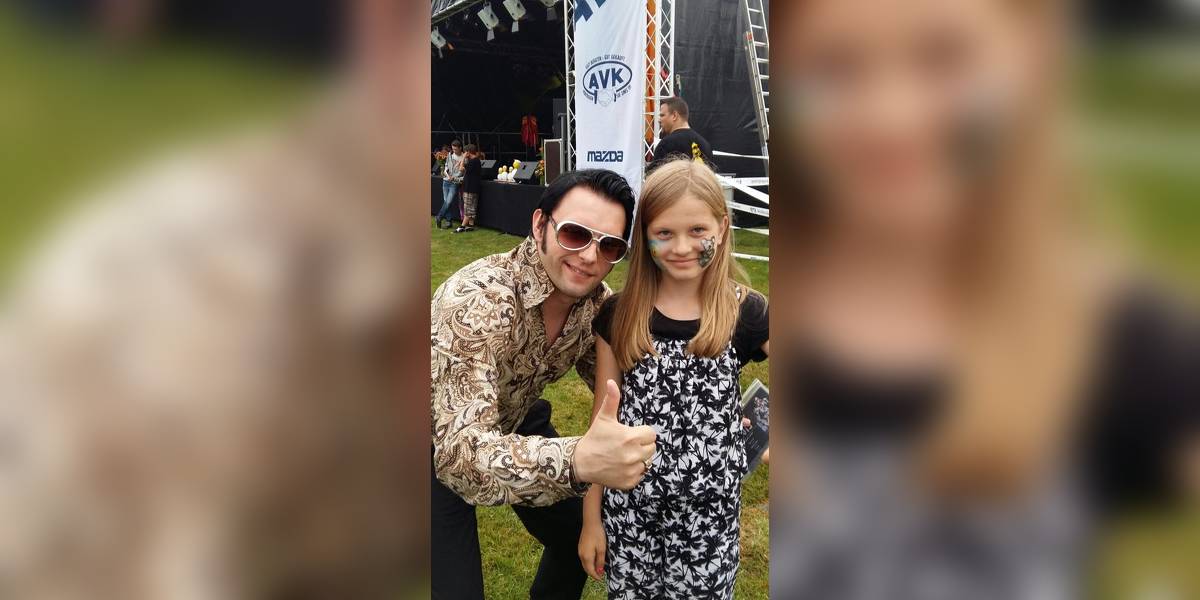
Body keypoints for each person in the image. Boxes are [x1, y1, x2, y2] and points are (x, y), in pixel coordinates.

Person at [769, 0, 1200, 597]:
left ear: (1032, 59)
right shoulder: (773, 322)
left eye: (943, 56)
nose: (890, 117)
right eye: (835, 68)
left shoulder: (1120, 335)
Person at [431, 169, 657, 600]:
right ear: (540, 225)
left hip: (514, 416)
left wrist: (714, 419)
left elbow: (633, 386)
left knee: (578, 537)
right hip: (428, 443)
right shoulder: (476, 300)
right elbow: (458, 458)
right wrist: (577, 460)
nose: (589, 256)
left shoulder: (595, 307)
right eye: (575, 234)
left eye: (609, 245)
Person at [578, 159, 769, 599]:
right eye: (664, 232)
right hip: (630, 516)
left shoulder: (745, 311)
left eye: (698, 230)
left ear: (722, 228)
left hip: (710, 524)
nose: (682, 246)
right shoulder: (619, 314)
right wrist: (591, 520)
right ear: (644, 235)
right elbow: (600, 427)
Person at [651, 97, 713, 169]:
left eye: (662, 115)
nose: (659, 120)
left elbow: (654, 174)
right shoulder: (705, 145)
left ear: (674, 116)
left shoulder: (666, 144)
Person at [435, 139, 464, 229]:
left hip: (455, 182)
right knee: (446, 202)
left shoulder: (464, 158)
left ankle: (439, 216)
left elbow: (462, 172)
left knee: (448, 201)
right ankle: (449, 221)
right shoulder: (450, 155)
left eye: (455, 149)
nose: (454, 151)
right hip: (446, 181)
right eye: (453, 149)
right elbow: (446, 168)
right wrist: (447, 174)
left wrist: (454, 178)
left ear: (460, 148)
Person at [456, 143, 482, 233]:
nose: (464, 153)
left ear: (468, 152)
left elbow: (460, 169)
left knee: (467, 208)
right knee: (472, 207)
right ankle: (471, 225)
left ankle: (462, 226)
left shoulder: (473, 161)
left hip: (469, 188)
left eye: (465, 152)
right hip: (473, 188)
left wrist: (463, 158)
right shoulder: (475, 160)